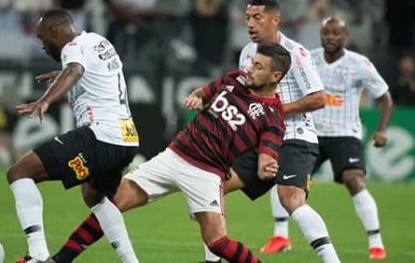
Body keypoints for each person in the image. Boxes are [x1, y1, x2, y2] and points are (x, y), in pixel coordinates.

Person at [50, 43, 291, 263]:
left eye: (258, 66)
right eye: (252, 62)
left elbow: (266, 158)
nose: (250, 69)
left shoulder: (273, 117)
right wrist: (196, 98)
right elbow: (202, 93)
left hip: (207, 173)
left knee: (217, 242)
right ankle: (60, 259)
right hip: (173, 156)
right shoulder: (234, 79)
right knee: (112, 204)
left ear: (275, 76)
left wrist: (266, 167)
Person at [6, 9, 140, 263]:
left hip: (100, 134)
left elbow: (76, 69)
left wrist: (45, 101)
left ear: (55, 31)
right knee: (94, 196)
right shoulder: (98, 40)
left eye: (41, 36)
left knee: (19, 172)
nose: (42, 44)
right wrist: (61, 74)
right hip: (126, 140)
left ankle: (37, 255)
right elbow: (92, 72)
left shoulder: (72, 47)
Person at [233, 0, 340, 263]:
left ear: (275, 19)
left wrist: (275, 110)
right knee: (212, 186)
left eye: (258, 17)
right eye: (248, 18)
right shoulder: (247, 53)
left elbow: (318, 98)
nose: (251, 24)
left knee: (291, 198)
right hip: (262, 141)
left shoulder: (296, 53)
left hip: (296, 136)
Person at [311, 17, 393, 260]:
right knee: (288, 181)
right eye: (326, 32)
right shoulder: (309, 58)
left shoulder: (359, 64)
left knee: (353, 179)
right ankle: (281, 236)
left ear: (345, 35)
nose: (330, 37)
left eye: (336, 33)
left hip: (344, 133)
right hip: (311, 133)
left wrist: (382, 130)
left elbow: (385, 97)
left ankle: (376, 242)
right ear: (320, 33)